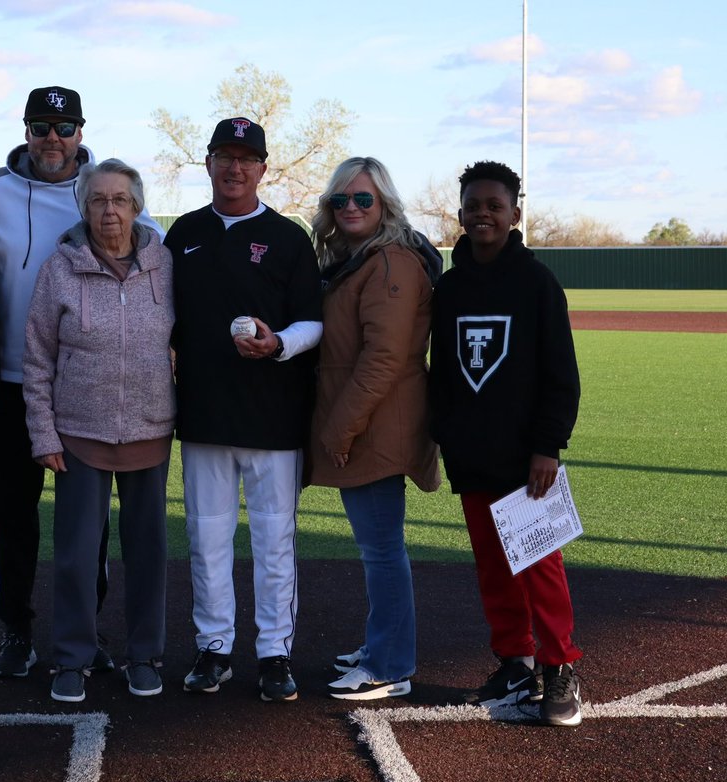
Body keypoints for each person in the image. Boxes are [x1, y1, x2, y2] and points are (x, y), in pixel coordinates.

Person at [0, 86, 162, 679]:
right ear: (26, 130)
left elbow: (154, 261)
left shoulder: (108, 191)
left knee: (90, 523)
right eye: (41, 126)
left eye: (64, 126)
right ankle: (16, 633)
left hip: (87, 388)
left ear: (81, 130)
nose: (52, 138)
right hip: (9, 382)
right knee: (13, 515)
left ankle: (90, 631)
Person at [166, 116, 323, 702]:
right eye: (224, 156)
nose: (235, 168)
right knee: (207, 539)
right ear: (207, 163)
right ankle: (213, 649)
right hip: (205, 414)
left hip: (273, 416)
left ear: (263, 167)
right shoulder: (181, 234)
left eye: (245, 158)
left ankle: (274, 652)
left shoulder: (287, 237)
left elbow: (314, 321)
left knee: (273, 540)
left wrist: (277, 342)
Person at [428, 160, 584, 727]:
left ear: (515, 213)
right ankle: (515, 662)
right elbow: (442, 371)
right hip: (472, 455)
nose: (483, 215)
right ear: (461, 213)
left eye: (495, 205)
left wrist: (548, 445)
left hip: (527, 460)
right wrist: (446, 433)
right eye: (473, 206)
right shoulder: (449, 287)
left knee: (539, 565)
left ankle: (560, 666)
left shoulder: (537, 282)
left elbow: (561, 375)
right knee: (493, 567)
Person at [23, 159, 175, 703]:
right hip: (79, 437)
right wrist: (44, 434)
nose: (109, 211)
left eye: (119, 200)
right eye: (97, 201)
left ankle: (144, 655)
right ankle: (72, 658)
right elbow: (38, 356)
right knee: (75, 555)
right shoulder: (59, 269)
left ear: (136, 205)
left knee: (148, 552)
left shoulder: (164, 262)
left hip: (149, 433)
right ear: (83, 207)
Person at [305, 157, 442, 701]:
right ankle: (382, 645)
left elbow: (384, 358)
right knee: (377, 547)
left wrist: (340, 429)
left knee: (383, 550)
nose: (352, 209)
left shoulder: (390, 263)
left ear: (384, 202)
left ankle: (390, 664)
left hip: (377, 426)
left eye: (364, 199)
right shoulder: (358, 259)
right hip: (368, 421)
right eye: (341, 200)